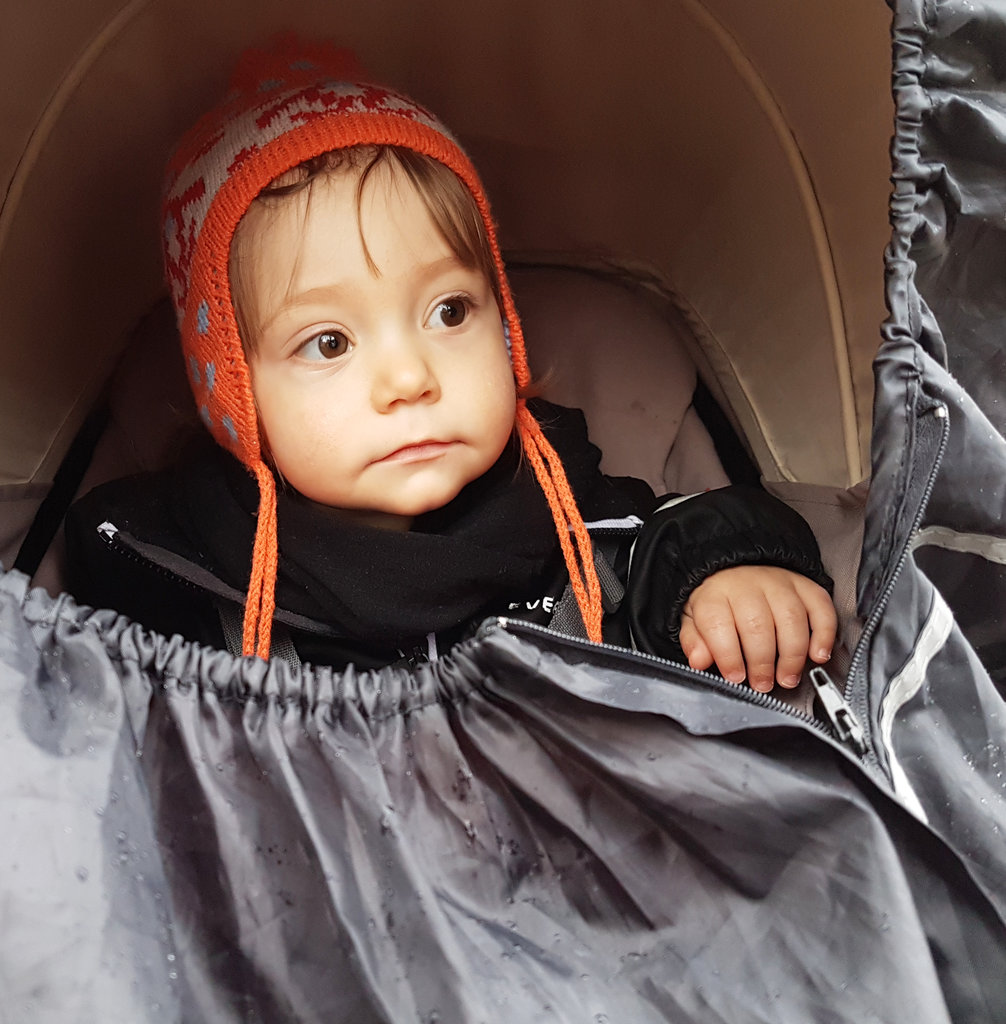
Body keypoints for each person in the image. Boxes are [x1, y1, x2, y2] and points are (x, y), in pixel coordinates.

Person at [66, 39, 836, 693]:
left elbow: (680, 530)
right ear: (233, 387)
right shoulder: (167, 570)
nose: (411, 379)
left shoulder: (566, 509)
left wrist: (734, 574)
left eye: (450, 312)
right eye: (329, 342)